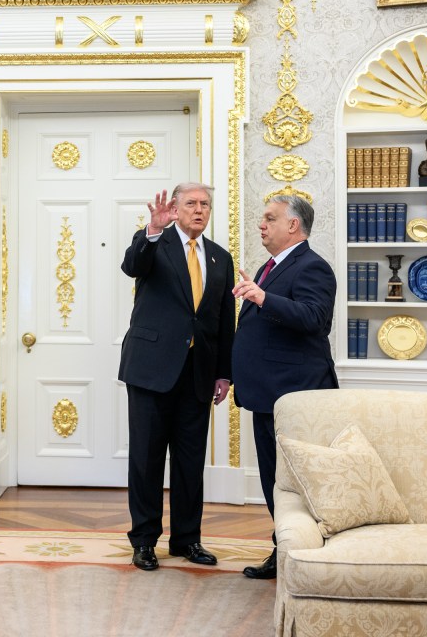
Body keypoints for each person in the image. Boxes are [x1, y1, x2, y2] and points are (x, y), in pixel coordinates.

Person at [119, 183, 234, 571]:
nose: (199, 210)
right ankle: (144, 541)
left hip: (198, 374)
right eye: (191, 203)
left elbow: (223, 320)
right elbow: (132, 266)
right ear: (175, 208)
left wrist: (224, 373)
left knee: (190, 462)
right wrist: (153, 229)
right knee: (146, 460)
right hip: (151, 369)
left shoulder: (220, 257)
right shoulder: (155, 242)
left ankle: (187, 540)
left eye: (205, 204)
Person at [231, 195, 338, 580]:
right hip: (268, 394)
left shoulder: (312, 266)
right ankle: (286, 550)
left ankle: (305, 554)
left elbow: (315, 319)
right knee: (273, 479)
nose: (261, 225)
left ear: (293, 225)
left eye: (270, 218)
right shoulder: (269, 267)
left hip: (296, 396)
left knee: (295, 482)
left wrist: (263, 297)